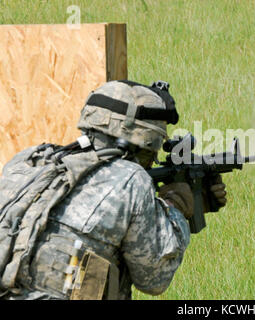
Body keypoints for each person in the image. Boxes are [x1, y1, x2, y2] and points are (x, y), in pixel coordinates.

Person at [0, 80, 227, 300]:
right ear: (146, 142)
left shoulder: (31, 160)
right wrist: (176, 207)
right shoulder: (132, 179)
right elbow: (154, 279)